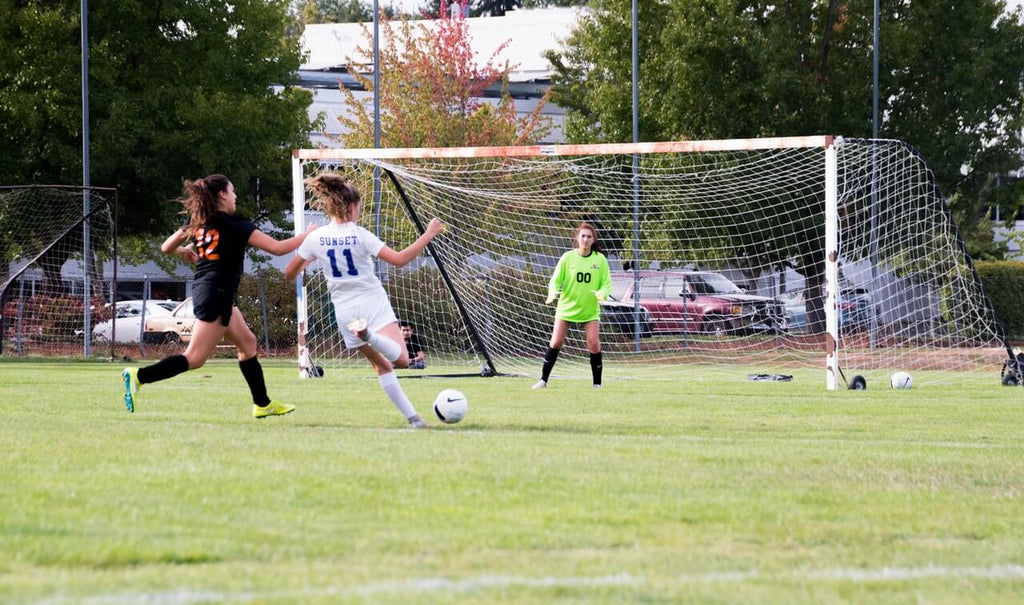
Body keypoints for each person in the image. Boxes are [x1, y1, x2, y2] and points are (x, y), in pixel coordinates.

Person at [121, 174, 316, 418]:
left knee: (248, 344)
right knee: (194, 358)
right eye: (232, 191)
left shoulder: (200, 222)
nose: (235, 196)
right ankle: (139, 376)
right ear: (222, 194)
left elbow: (165, 247)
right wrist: (309, 234)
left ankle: (262, 403)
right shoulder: (236, 225)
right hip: (216, 294)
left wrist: (184, 251)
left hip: (212, 292)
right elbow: (278, 249)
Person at [284, 173, 444, 428]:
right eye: (359, 207)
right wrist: (429, 234)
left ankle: (414, 420)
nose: (360, 211)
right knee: (402, 360)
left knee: (382, 367)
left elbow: (290, 272)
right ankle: (369, 335)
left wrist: (314, 256)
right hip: (372, 301)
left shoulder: (316, 237)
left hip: (345, 311)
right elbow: (399, 260)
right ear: (351, 206)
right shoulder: (360, 234)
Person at [533, 221, 612, 390]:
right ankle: (543, 380)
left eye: (588, 237)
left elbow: (606, 284)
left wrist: (602, 294)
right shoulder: (567, 258)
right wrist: (552, 292)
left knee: (594, 344)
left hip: (589, 309)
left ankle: (597, 384)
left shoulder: (600, 260)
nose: (585, 239)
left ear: (593, 240)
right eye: (582, 236)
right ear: (577, 238)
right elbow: (555, 280)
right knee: (555, 342)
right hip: (566, 307)